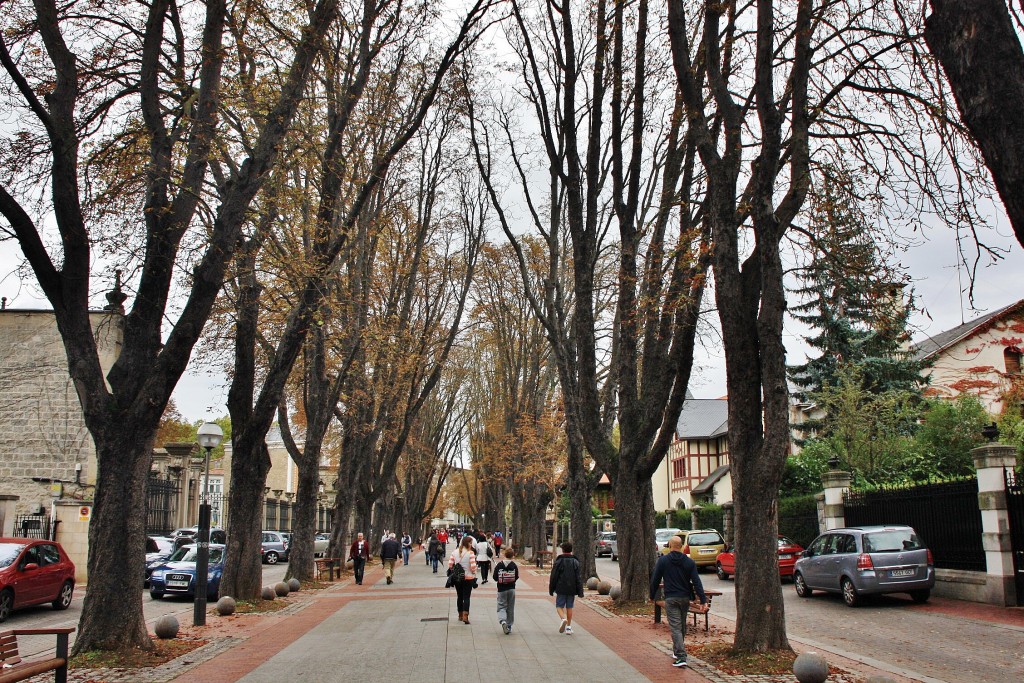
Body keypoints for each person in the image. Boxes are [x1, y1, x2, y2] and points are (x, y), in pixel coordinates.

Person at [650, 534, 706, 668]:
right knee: (681, 626)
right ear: (681, 547)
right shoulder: (689, 562)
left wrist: (652, 595)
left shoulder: (663, 561)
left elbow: (655, 579)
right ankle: (677, 651)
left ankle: (681, 656)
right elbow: (696, 581)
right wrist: (702, 599)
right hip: (685, 598)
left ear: (669, 546)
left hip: (671, 598)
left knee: (676, 627)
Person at [548, 541, 584, 635]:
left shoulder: (559, 561)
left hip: (561, 587)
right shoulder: (575, 562)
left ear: (562, 550)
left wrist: (551, 588)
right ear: (571, 550)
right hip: (572, 588)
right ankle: (568, 627)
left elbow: (554, 575)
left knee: (559, 606)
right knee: (569, 607)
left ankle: (563, 619)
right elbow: (578, 577)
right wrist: (580, 591)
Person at [448, 535, 478, 624]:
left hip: (458, 578)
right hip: (468, 578)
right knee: (467, 597)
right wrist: (474, 571)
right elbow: (473, 567)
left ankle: (460, 615)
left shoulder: (455, 552)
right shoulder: (470, 553)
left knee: (459, 596)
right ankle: (466, 616)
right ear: (468, 543)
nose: (471, 545)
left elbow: (450, 565)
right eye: (471, 543)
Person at [493, 548, 519, 635]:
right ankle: (509, 625)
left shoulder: (499, 565)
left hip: (501, 589)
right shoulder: (514, 565)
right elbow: (516, 577)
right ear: (512, 556)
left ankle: (503, 621)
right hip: (511, 588)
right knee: (510, 607)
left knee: (501, 606)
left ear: (504, 554)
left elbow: (495, 577)